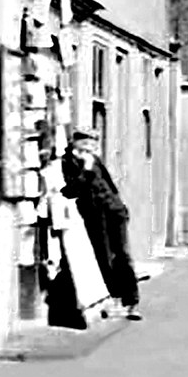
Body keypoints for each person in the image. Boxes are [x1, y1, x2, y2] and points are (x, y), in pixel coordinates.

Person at [61, 130, 141, 320]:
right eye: (87, 142)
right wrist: (86, 171)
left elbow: (109, 184)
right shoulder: (66, 163)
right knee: (105, 257)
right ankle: (112, 300)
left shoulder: (95, 160)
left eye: (93, 142)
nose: (91, 146)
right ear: (76, 143)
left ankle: (131, 303)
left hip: (113, 211)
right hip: (94, 215)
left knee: (123, 255)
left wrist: (121, 206)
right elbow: (71, 190)